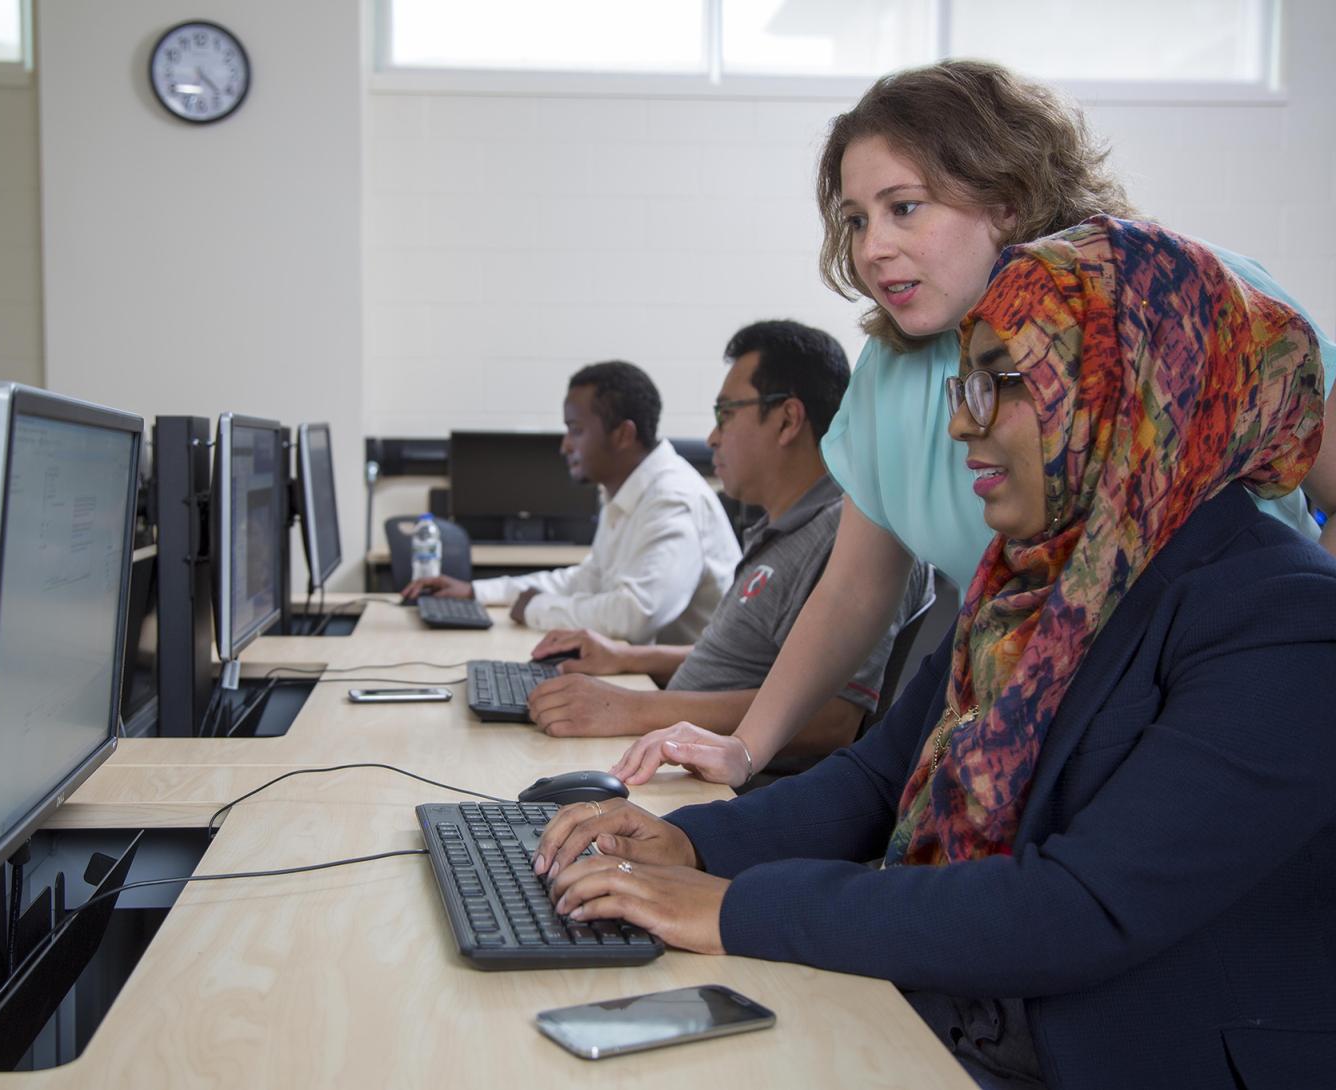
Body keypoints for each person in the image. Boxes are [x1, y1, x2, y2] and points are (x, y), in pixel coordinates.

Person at [535, 218, 1336, 1089]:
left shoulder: (1282, 619)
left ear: (1129, 388)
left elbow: (1078, 909)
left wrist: (733, 906)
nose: (962, 423)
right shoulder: (1028, 584)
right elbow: (878, 781)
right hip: (950, 1016)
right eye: (965, 385)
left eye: (1005, 383)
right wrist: (685, 846)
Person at [610, 58, 1336, 787]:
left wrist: (1302, 654)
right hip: (1053, 737)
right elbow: (854, 591)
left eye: (904, 207)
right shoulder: (891, 374)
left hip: (1221, 715)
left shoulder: (1185, 300)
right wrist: (744, 748)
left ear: (1008, 200)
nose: (871, 248)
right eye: (856, 219)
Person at [523, 321, 932, 767]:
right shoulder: (786, 529)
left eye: (726, 414)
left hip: (726, 789)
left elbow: (831, 718)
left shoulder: (848, 539)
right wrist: (625, 657)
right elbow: (753, 668)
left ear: (787, 419)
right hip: (673, 753)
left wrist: (630, 708)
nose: (712, 437)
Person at [401, 360, 740, 644]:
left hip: (684, 698)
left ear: (623, 434)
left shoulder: (671, 499)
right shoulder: (626, 491)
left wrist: (536, 609)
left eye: (575, 430)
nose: (565, 446)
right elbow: (588, 580)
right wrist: (477, 592)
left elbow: (634, 615)